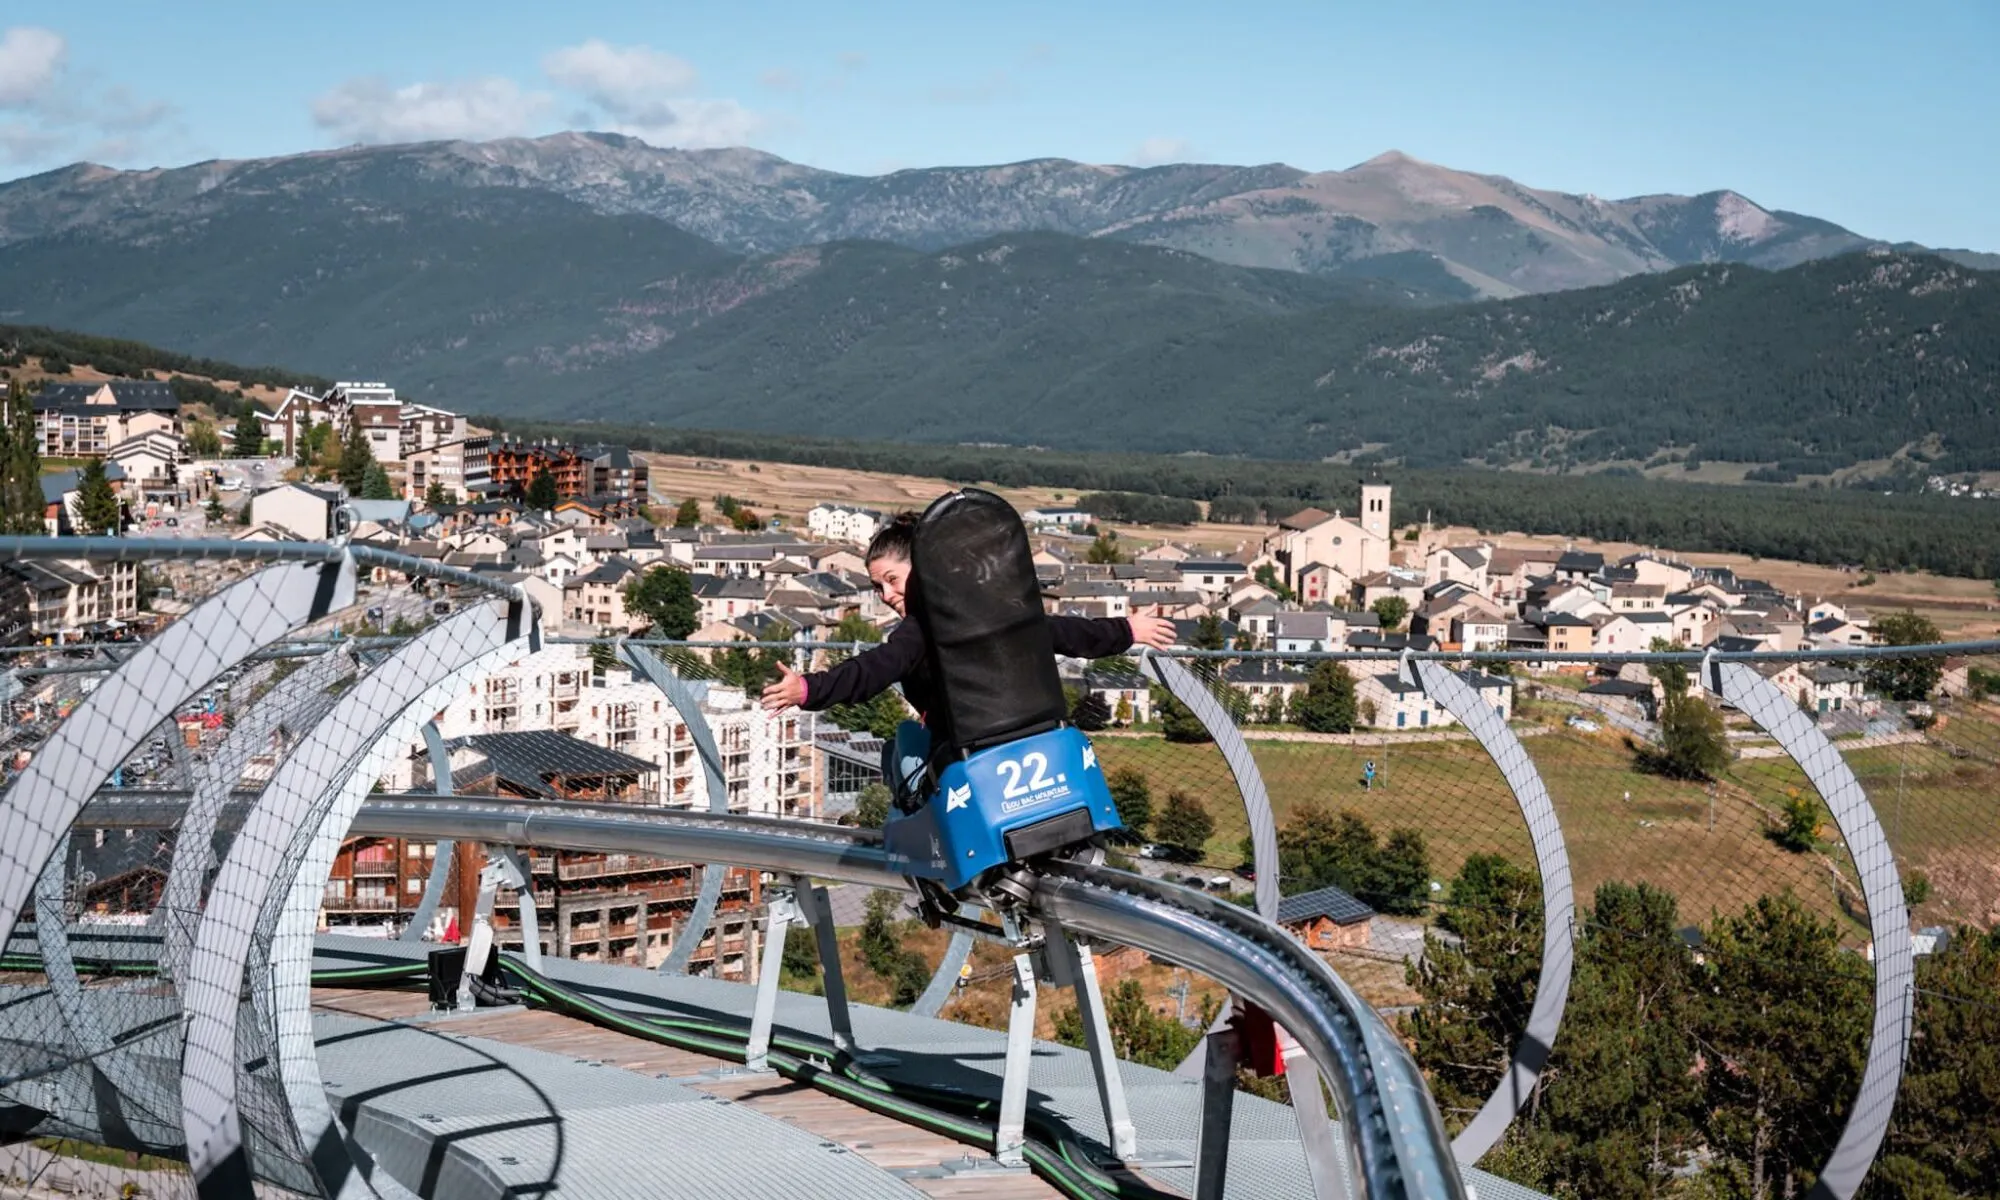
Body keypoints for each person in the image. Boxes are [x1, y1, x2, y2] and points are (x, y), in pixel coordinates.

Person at [760, 511, 1175, 721]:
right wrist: (1128, 630)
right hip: (1034, 732)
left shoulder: (919, 629)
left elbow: (875, 668)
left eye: (893, 579)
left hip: (962, 752)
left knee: (902, 751)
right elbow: (1061, 632)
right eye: (877, 587)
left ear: (924, 568)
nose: (887, 596)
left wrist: (809, 690)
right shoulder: (991, 608)